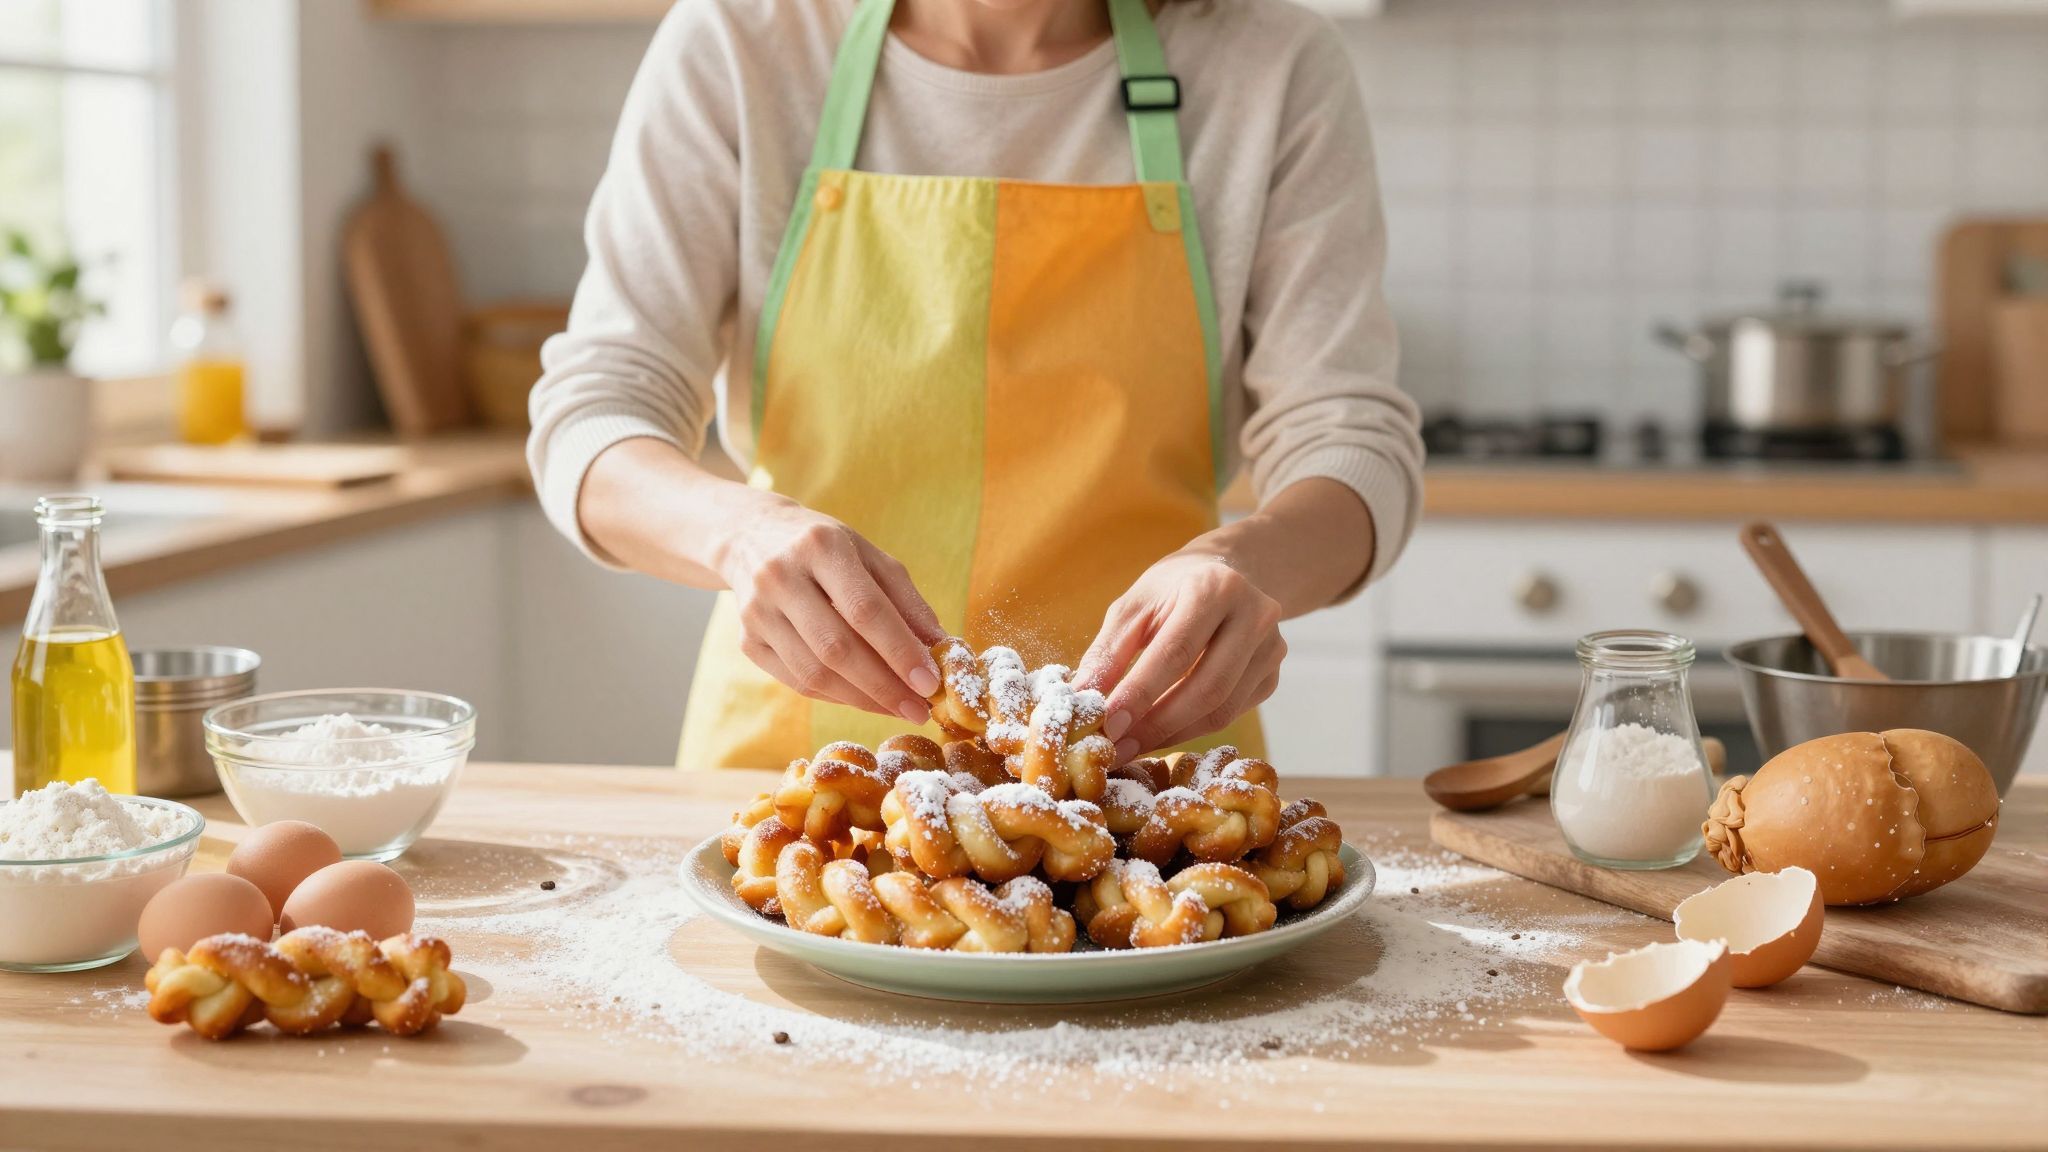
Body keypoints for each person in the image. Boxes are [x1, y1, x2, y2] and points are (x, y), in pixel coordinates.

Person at [528, 0, 1423, 771]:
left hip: (1147, 782)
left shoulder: (1271, 66)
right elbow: (595, 414)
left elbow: (1351, 443)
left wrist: (1242, 567)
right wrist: (739, 536)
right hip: (796, 779)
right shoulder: (745, 40)